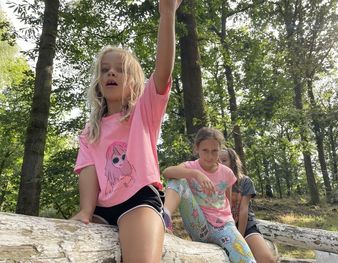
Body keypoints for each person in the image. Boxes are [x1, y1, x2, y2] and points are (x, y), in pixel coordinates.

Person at [71, 1, 182, 262]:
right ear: (99, 82)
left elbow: (163, 71)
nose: (111, 72)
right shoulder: (91, 130)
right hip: (102, 208)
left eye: (120, 69)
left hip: (139, 202)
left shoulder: (143, 112)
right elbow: (88, 170)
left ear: (134, 82)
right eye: (105, 69)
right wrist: (86, 212)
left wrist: (167, 14)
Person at [163, 127, 256, 263]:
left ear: (220, 150)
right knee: (178, 179)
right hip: (199, 224)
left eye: (214, 151)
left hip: (224, 226)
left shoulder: (227, 173)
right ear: (197, 149)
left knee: (247, 260)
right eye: (205, 151)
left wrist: (232, 229)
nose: (210, 156)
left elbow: (227, 201)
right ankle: (164, 217)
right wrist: (196, 174)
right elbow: (167, 172)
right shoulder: (191, 166)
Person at [219, 148, 277, 263]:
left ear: (233, 162)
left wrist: (239, 236)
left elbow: (243, 210)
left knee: (267, 259)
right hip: (223, 227)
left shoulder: (245, 181)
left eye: (224, 160)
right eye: (218, 161)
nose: (220, 164)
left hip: (245, 226)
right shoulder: (216, 183)